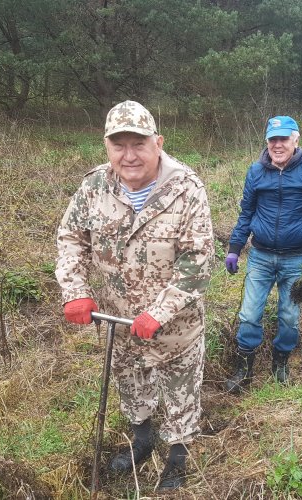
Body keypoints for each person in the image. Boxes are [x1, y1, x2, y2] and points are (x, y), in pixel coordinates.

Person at [55, 100, 214, 490]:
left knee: (181, 391)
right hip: (119, 323)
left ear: (158, 143)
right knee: (132, 385)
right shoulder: (94, 186)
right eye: (118, 145)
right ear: (107, 147)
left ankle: (178, 452)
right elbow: (71, 238)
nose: (129, 155)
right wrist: (76, 291)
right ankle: (140, 439)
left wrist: (160, 311)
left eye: (138, 144)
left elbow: (198, 259)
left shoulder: (186, 188)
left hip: (176, 328)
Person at [224, 115, 302, 393]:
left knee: (289, 316)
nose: (277, 145)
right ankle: (244, 368)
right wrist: (235, 248)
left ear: (296, 139)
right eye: (273, 139)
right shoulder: (256, 172)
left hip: (295, 259)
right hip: (260, 256)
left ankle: (280, 362)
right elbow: (246, 213)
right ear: (267, 141)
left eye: (283, 139)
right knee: (249, 314)